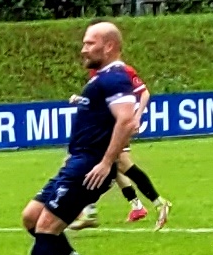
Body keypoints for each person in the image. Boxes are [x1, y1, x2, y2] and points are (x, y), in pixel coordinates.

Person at [0, 21, 137, 255]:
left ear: (108, 46)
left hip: (90, 166)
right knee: (32, 217)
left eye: (90, 43)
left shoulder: (116, 78)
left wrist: (106, 162)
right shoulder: (102, 78)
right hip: (77, 161)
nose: (83, 49)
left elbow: (127, 121)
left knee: (46, 226)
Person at [70, 60, 169, 231]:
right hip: (107, 125)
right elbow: (99, 102)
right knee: (117, 165)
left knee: (101, 163)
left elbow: (144, 93)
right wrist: (81, 100)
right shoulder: (97, 74)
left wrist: (137, 117)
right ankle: (151, 203)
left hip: (117, 125)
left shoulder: (121, 70)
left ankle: (89, 210)